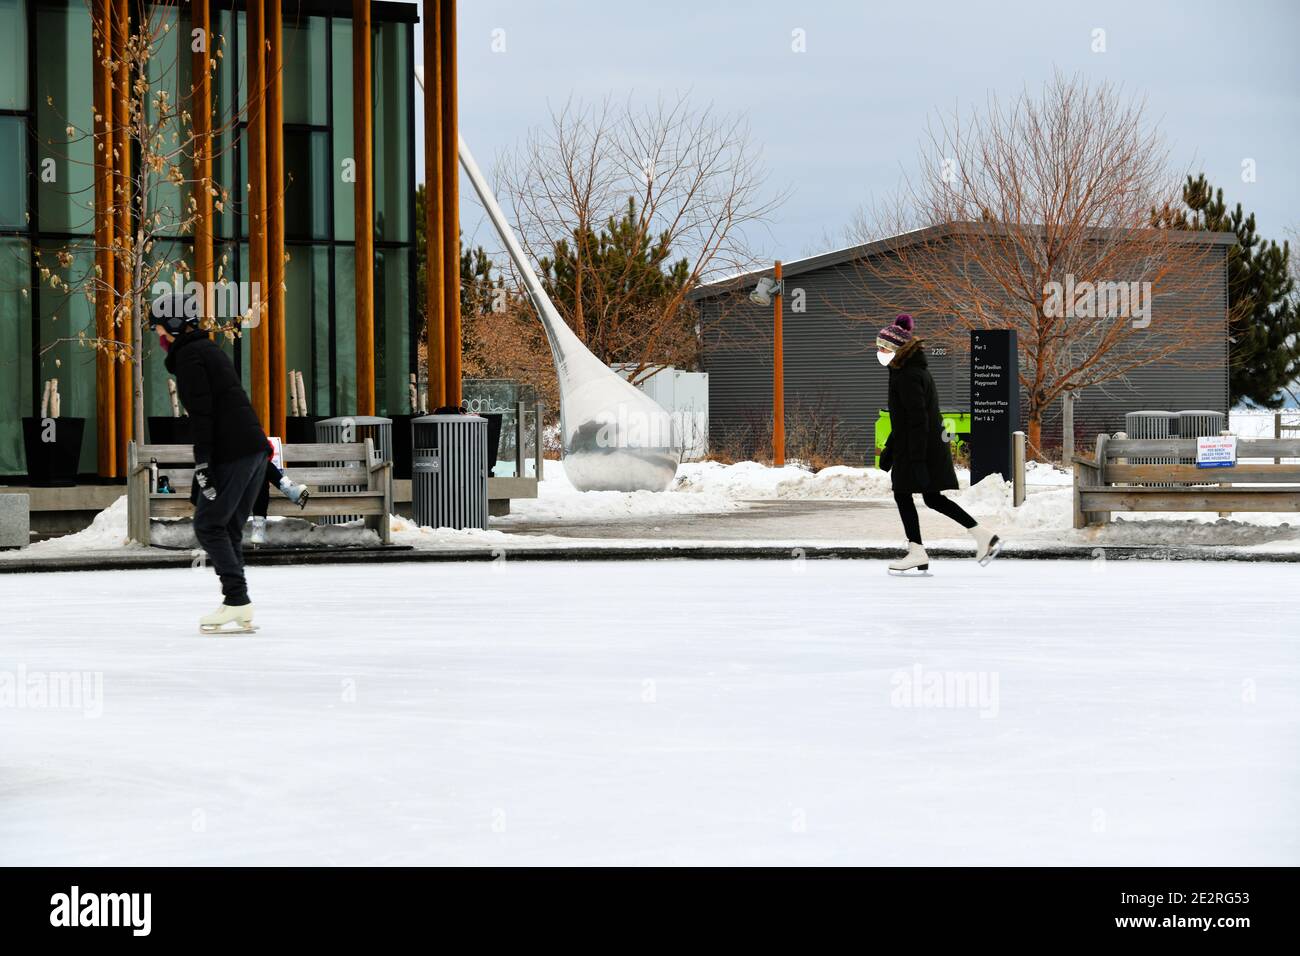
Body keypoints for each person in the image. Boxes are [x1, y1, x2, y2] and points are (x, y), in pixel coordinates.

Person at [152, 306, 269, 632]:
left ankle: (236, 600)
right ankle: (239, 602)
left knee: (208, 525)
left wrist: (202, 462)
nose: (159, 336)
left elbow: (203, 416)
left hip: (236, 451)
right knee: (227, 526)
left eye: (159, 328)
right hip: (252, 449)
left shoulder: (190, 357)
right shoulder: (207, 350)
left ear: (174, 326)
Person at [876, 314, 1000, 573]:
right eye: (879, 347)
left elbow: (917, 420)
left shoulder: (908, 376)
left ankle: (917, 551)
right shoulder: (907, 371)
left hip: (918, 448)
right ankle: (982, 536)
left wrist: (917, 461)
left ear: (898, 350)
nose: (880, 352)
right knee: (932, 498)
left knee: (904, 494)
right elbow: (904, 418)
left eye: (884, 348)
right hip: (920, 446)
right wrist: (889, 448)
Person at [249, 440, 311, 546]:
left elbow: (268, 447)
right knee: (261, 467)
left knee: (261, 471)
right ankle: (290, 490)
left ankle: (258, 530)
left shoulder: (251, 431)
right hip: (236, 482)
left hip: (253, 480)